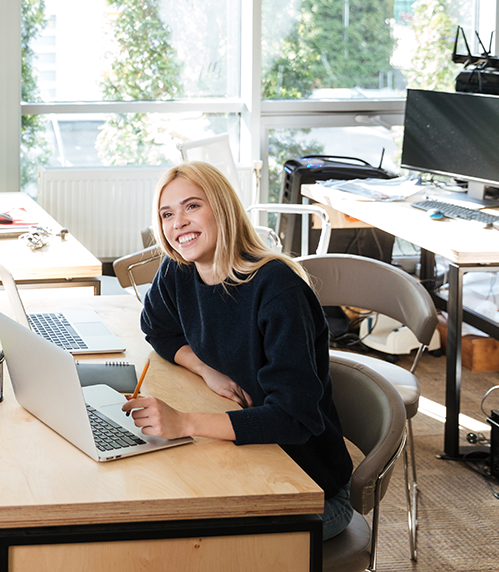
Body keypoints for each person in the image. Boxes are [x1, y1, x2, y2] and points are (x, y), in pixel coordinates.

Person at [128, 161, 355, 541]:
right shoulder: (180, 271)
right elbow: (157, 328)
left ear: (223, 209)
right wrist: (205, 369)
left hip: (308, 489)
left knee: (183, 543)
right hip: (251, 457)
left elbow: (294, 419)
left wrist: (186, 423)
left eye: (192, 206)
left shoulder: (277, 289)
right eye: (167, 213)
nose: (178, 222)